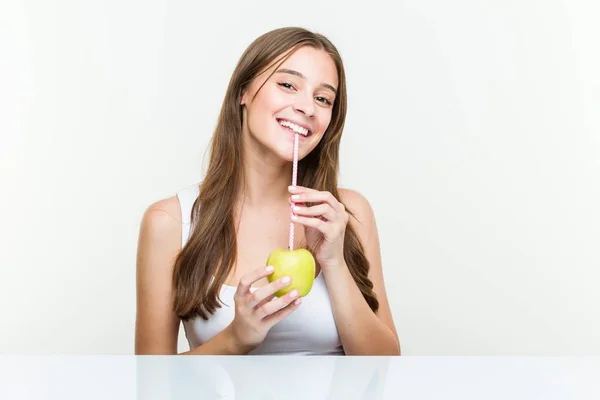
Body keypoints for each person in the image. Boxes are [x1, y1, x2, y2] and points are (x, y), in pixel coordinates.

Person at [134, 26, 401, 356]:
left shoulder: (348, 213)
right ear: (244, 91)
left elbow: (386, 364)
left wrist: (335, 264)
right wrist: (236, 338)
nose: (307, 107)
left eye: (323, 98)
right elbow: (151, 381)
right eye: (288, 85)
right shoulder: (169, 221)